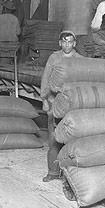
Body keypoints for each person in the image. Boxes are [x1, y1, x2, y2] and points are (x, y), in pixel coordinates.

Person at [39, 30, 82, 182]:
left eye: (70, 41)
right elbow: (45, 78)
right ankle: (52, 172)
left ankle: (68, 176)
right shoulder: (54, 57)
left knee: (71, 140)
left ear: (74, 43)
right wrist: (44, 99)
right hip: (54, 101)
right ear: (60, 43)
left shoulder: (80, 59)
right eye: (64, 42)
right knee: (53, 138)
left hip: (71, 104)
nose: (67, 44)